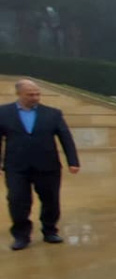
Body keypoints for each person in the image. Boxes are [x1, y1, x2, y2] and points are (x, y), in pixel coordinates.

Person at [1, 78, 80, 251]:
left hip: (47, 165)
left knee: (51, 200)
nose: (35, 98)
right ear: (19, 94)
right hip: (16, 167)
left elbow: (66, 138)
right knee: (17, 200)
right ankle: (21, 236)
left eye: (37, 94)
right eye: (30, 95)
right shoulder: (3, 112)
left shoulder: (53, 114)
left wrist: (73, 161)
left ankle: (50, 230)